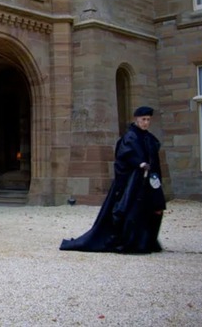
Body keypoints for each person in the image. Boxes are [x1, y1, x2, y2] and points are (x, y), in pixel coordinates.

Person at [60, 106, 167, 254]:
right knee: (131, 211)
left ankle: (146, 241)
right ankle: (130, 242)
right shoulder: (130, 137)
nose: (146, 122)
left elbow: (153, 158)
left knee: (154, 209)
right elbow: (123, 156)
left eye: (148, 120)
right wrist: (139, 163)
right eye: (143, 119)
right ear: (136, 119)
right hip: (132, 183)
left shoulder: (148, 137)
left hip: (148, 182)